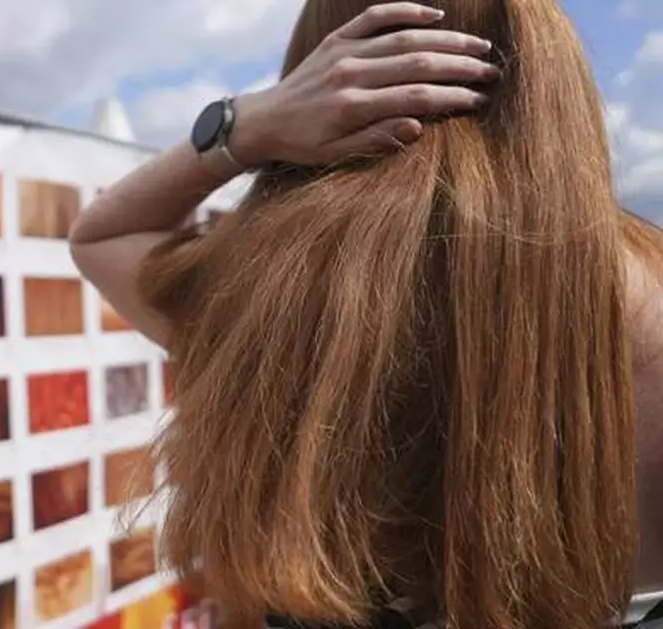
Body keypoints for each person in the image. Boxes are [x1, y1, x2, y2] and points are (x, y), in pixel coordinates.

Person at [69, 1, 663, 628]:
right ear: (550, 76)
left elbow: (101, 235)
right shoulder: (649, 290)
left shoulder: (260, 287)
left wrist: (244, 125)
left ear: (321, 72)